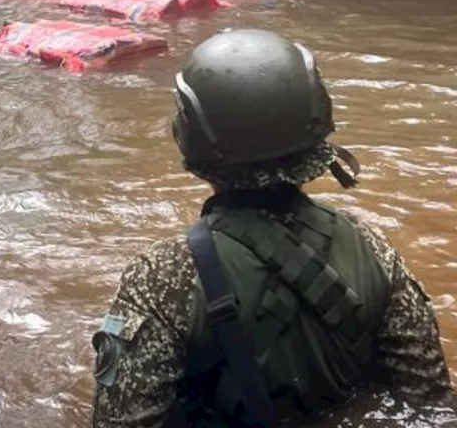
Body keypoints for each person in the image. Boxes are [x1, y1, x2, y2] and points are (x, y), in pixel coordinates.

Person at [91, 29, 452, 427]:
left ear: (192, 138)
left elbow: (121, 422)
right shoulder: (371, 248)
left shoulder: (160, 277)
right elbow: (429, 404)